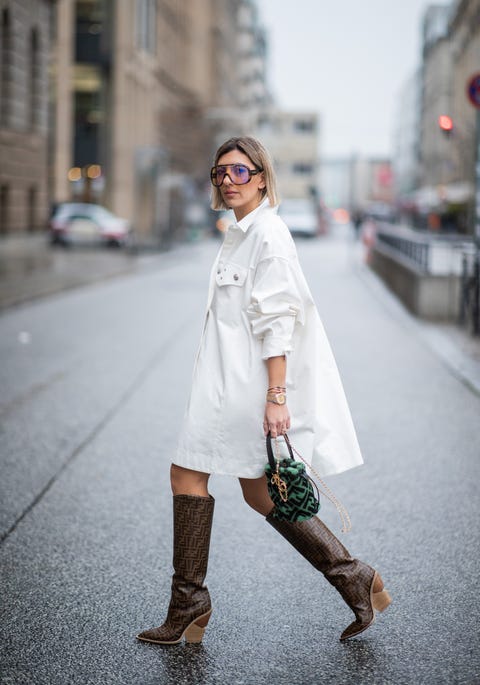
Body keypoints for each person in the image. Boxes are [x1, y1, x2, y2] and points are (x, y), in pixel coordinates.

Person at [136, 136, 391, 646]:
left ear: (262, 176)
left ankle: (190, 602)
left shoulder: (268, 234)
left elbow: (277, 319)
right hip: (226, 384)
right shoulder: (240, 234)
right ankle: (352, 575)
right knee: (259, 492)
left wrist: (277, 396)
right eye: (219, 173)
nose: (227, 181)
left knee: (187, 475)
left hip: (244, 390)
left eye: (238, 171)